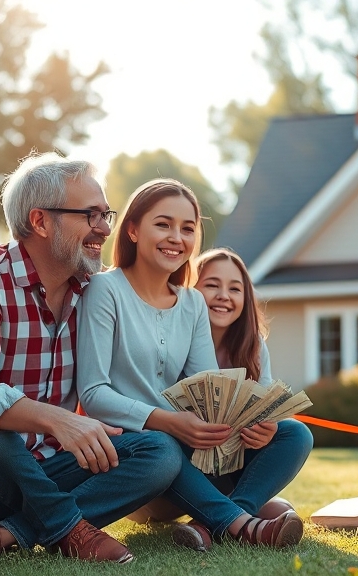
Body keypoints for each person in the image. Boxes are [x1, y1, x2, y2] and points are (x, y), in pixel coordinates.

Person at [0, 153, 186, 567]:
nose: (105, 228)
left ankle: (3, 536)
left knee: (160, 452)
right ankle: (71, 529)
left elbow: (140, 364)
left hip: (46, 470)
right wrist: (58, 419)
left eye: (106, 214)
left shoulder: (97, 292)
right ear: (40, 221)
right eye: (91, 215)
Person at [76, 180, 312, 551]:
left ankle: (218, 521)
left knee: (294, 433)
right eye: (163, 224)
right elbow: (93, 394)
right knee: (162, 446)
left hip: (187, 446)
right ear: (134, 229)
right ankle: (242, 525)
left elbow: (208, 388)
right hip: (138, 454)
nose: (176, 237)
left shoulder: (191, 303)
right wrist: (168, 421)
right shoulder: (104, 290)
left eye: (188, 229)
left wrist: (253, 423)